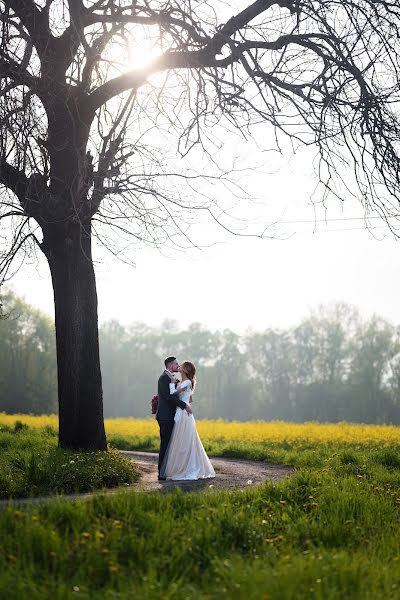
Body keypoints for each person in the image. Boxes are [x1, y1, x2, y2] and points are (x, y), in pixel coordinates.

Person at [160, 360, 215, 481]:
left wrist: (172, 383)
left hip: (184, 414)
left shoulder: (186, 382)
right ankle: (182, 466)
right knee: (181, 440)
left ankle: (186, 468)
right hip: (182, 411)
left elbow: (173, 393)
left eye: (182, 366)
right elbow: (190, 399)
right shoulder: (185, 382)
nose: (179, 366)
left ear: (185, 370)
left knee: (184, 441)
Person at [156, 356, 192, 480]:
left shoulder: (170, 378)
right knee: (165, 444)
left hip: (171, 415)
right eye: (176, 364)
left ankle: (167, 471)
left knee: (170, 444)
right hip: (166, 417)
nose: (178, 365)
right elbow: (168, 397)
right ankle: (161, 472)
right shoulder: (164, 378)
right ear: (170, 365)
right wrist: (184, 405)